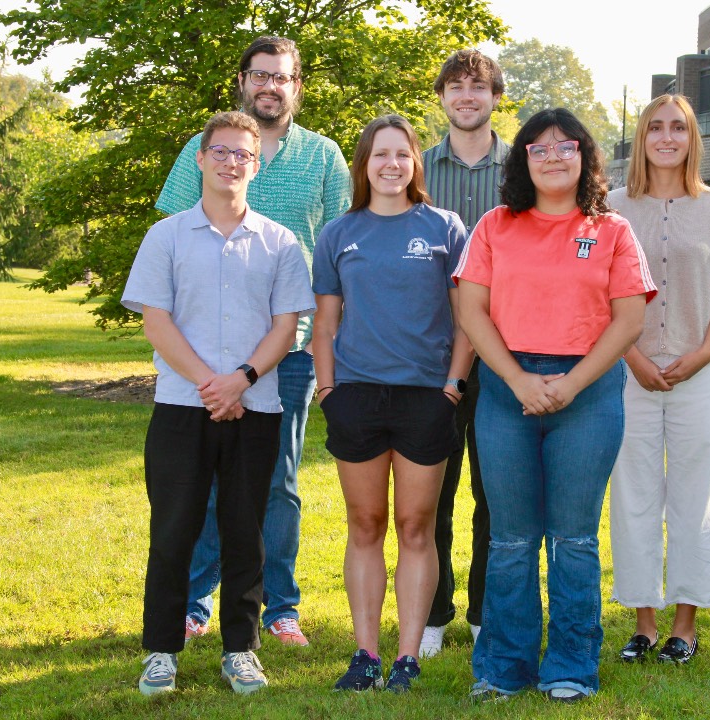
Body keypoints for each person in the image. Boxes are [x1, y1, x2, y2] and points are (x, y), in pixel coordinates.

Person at [155, 36, 351, 648]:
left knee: (277, 482)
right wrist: (212, 372)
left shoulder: (324, 157)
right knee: (206, 481)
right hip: (203, 355)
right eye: (260, 75)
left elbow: (341, 252)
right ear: (243, 81)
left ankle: (280, 607)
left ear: (297, 86)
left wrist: (328, 350)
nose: (271, 86)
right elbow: (171, 237)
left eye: (282, 77)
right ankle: (195, 603)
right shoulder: (205, 147)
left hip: (286, 352)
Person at [454, 107, 656, 703]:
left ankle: (571, 666)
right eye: (537, 149)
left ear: (584, 156)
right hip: (504, 390)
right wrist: (518, 379)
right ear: (522, 160)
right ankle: (503, 668)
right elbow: (471, 312)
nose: (551, 157)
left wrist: (571, 382)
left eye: (564, 147)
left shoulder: (612, 230)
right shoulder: (494, 226)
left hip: (588, 393)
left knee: (573, 538)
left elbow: (629, 319)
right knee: (511, 539)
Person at [124, 111, 316, 695]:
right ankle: (161, 651)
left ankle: (241, 649)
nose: (232, 162)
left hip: (255, 407)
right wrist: (212, 383)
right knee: (174, 529)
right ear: (202, 160)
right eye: (221, 152)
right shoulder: (167, 236)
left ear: (256, 166)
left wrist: (242, 379)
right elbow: (155, 320)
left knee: (244, 531)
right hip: (183, 407)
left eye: (243, 154)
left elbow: (289, 326)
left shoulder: (280, 242)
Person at [312, 115, 473, 693]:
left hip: (426, 399)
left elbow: (467, 321)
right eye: (380, 155)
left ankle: (407, 658)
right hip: (356, 396)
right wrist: (329, 392)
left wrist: (452, 388)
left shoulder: (445, 228)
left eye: (401, 154)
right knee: (365, 524)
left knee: (415, 526)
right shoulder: (338, 234)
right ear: (364, 165)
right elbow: (324, 327)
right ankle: (365, 655)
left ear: (415, 163)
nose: (391, 164)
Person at [608, 94, 710, 664]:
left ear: (693, 139)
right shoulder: (613, 208)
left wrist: (702, 352)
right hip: (626, 372)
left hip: (700, 374)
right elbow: (599, 297)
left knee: (695, 497)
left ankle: (685, 624)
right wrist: (634, 358)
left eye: (679, 129)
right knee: (633, 494)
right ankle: (644, 622)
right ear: (642, 137)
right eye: (656, 128)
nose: (667, 137)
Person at [419, 48, 509, 658]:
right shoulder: (415, 168)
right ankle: (431, 612)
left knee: (495, 494)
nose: (467, 96)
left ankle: (482, 610)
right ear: (443, 98)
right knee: (432, 492)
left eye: (478, 86)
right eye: (455, 87)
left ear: (496, 97)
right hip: (433, 356)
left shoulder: (524, 167)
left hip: (509, 355)